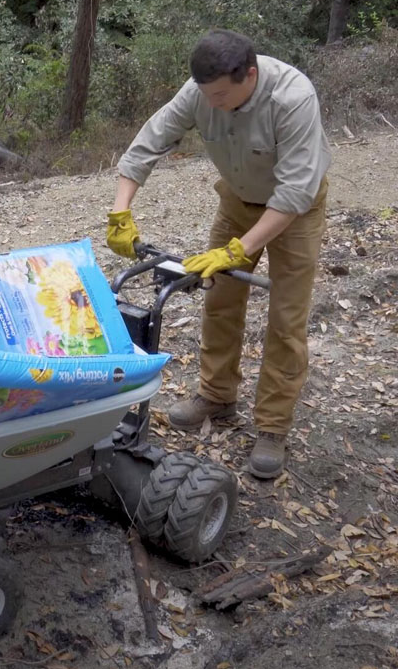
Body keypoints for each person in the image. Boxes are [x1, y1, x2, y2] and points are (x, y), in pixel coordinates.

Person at [105, 29, 330, 479]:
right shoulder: (202, 91)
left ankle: (272, 426)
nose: (212, 104)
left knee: (286, 319)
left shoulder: (293, 98)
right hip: (237, 201)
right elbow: (150, 142)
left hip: (295, 213)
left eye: (222, 96)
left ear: (250, 75)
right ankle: (217, 395)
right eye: (207, 95)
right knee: (220, 300)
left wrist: (237, 250)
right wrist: (120, 211)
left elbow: (294, 193)